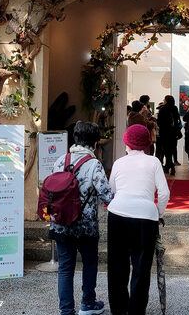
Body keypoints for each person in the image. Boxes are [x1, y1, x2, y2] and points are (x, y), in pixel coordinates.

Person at [49, 122, 114, 315]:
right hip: (86, 226)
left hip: (61, 223)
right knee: (89, 264)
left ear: (75, 139)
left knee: (65, 268)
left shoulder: (60, 161)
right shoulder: (94, 164)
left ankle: (66, 310)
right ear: (94, 142)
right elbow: (107, 196)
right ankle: (88, 304)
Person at [107, 124, 170, 315]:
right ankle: (136, 310)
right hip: (145, 217)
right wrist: (159, 214)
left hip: (118, 214)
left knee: (117, 265)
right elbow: (164, 193)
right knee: (142, 267)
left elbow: (112, 190)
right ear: (146, 144)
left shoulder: (119, 163)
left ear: (127, 143)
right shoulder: (154, 162)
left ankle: (119, 309)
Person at [156, 95, 180, 175]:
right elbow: (177, 120)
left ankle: (171, 167)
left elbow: (159, 122)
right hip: (173, 133)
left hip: (164, 133)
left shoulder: (162, 109)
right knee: (171, 150)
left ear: (166, 101)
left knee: (166, 151)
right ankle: (168, 167)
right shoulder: (175, 108)